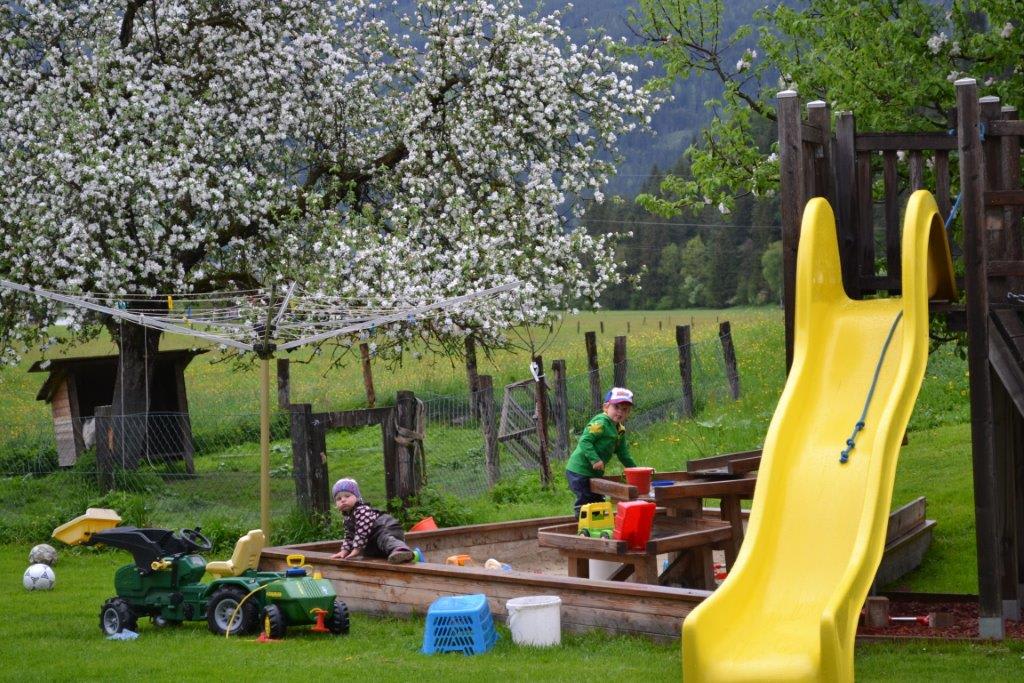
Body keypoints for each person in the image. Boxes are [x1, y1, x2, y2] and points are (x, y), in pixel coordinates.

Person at [565, 387, 639, 517]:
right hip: (579, 470)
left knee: (598, 500)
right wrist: (595, 459)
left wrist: (636, 470)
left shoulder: (620, 430)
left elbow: (623, 454)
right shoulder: (600, 423)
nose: (620, 412)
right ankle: (581, 520)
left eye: (624, 409)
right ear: (606, 407)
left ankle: (598, 523)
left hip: (594, 473)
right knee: (586, 499)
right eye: (616, 407)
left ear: (628, 413)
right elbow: (585, 441)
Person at [329, 478, 415, 563]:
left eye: (347, 496)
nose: (343, 500)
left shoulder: (362, 510)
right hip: (373, 537)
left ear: (357, 497)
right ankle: (394, 555)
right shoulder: (347, 518)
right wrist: (344, 550)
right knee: (369, 551)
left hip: (387, 528)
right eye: (338, 499)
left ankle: (401, 549)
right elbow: (349, 536)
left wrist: (356, 549)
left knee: (383, 538)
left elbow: (362, 531)